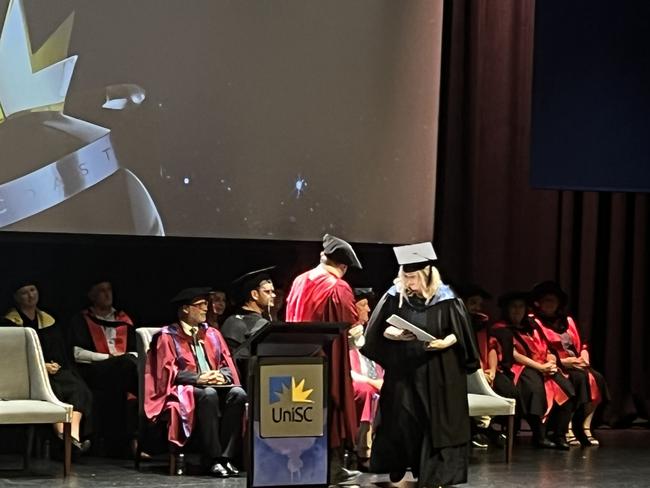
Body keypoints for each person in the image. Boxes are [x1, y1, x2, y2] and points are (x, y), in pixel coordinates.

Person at [362, 243, 479, 487]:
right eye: (405, 276)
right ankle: (399, 464)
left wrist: (444, 342)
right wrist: (394, 334)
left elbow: (461, 333)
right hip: (404, 369)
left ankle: (435, 475)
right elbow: (378, 330)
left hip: (439, 370)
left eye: (413, 277)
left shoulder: (446, 297)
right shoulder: (394, 295)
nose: (408, 282)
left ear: (426, 274)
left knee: (436, 422)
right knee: (403, 418)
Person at [144, 287, 247, 477]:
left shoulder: (212, 334)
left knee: (238, 394)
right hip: (183, 388)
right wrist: (199, 378)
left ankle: (226, 458)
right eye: (201, 305)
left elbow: (227, 362)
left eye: (206, 305)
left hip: (214, 384)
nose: (206, 309)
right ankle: (213, 458)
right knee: (208, 394)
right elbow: (166, 372)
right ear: (185, 309)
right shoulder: (167, 336)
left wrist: (222, 376)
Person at [284, 234, 361, 483]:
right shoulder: (337, 287)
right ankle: (331, 468)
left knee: (301, 410)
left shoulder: (298, 280)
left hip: (296, 359)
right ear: (343, 265)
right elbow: (351, 322)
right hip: (326, 360)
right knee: (331, 409)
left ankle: (300, 466)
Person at [3, 280, 92, 453]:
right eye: (24, 292)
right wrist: (41, 367)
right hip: (26, 377)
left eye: (33, 290)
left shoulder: (49, 320)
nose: (30, 295)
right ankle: (63, 438)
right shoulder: (8, 323)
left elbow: (59, 352)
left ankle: (72, 437)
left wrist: (53, 365)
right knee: (53, 392)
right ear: (16, 298)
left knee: (79, 389)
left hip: (53, 371)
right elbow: (11, 357)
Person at [530, 281, 610, 447]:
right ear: (538, 303)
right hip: (553, 365)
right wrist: (565, 362)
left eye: (553, 300)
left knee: (597, 378)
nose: (550, 304)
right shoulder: (534, 322)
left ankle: (585, 426)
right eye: (546, 300)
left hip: (576, 363)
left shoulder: (567, 321)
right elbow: (539, 350)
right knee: (578, 379)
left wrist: (584, 357)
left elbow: (583, 343)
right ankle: (568, 428)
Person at [492, 291, 574, 450]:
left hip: (543, 366)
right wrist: (540, 367)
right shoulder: (500, 329)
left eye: (521, 306)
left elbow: (548, 346)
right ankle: (540, 435)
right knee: (535, 389)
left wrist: (551, 359)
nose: (517, 310)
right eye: (513, 307)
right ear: (506, 309)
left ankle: (558, 434)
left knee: (566, 389)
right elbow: (513, 354)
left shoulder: (531, 326)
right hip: (519, 368)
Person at [68, 279, 139, 456]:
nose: (107, 294)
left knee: (131, 368)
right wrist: (109, 358)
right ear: (91, 296)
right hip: (94, 371)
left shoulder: (124, 320)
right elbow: (77, 353)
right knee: (128, 366)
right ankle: (135, 443)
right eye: (101, 291)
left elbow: (136, 351)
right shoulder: (81, 319)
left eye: (109, 290)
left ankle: (132, 441)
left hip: (123, 372)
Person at [457, 283, 498, 448]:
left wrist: (493, 371)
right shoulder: (457, 323)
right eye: (473, 303)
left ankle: (487, 429)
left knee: (508, 388)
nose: (477, 307)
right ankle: (476, 430)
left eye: (479, 304)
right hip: (466, 371)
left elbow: (493, 347)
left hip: (486, 370)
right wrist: (480, 373)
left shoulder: (483, 323)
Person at [220, 267, 275, 386]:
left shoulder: (264, 321)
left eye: (273, 291)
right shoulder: (234, 323)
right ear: (254, 294)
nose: (273, 295)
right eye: (267, 292)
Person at [348, 288, 383, 469]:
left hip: (377, 380)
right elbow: (345, 371)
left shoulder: (372, 332)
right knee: (366, 391)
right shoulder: (345, 334)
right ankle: (364, 451)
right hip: (356, 382)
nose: (368, 309)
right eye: (363, 305)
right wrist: (371, 382)